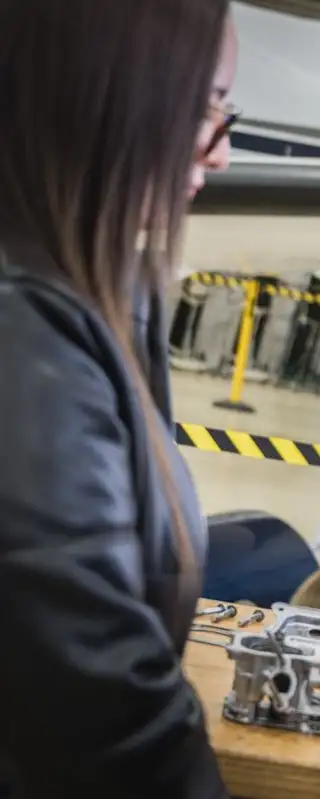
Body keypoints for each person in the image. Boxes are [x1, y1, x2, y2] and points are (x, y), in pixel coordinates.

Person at [0, 1, 239, 795]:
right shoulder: (24, 328)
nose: (225, 150)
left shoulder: (84, 294)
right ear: (117, 94)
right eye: (209, 105)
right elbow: (101, 712)